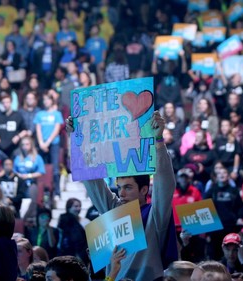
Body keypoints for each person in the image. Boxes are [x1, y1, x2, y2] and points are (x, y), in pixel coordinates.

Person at [66, 110, 177, 280]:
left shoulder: (155, 215)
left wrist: (159, 142)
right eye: (119, 187)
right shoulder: (114, 210)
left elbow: (165, 183)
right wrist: (77, 140)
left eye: (128, 188)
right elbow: (92, 180)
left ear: (144, 190)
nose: (121, 193)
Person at [34, 92, 63, 196]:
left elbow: (57, 129)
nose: (46, 101)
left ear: (52, 101)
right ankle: (44, 190)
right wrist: (41, 143)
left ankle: (57, 191)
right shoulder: (39, 114)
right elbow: (38, 129)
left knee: (55, 168)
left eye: (48, 99)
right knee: (42, 167)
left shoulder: (57, 114)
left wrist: (48, 142)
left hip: (53, 143)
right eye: (44, 99)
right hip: (42, 144)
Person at [13, 137, 45, 221]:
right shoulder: (18, 158)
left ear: (31, 145)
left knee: (33, 193)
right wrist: (18, 174)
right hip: (19, 184)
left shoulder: (37, 158)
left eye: (27, 144)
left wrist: (29, 176)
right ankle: (16, 218)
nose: (25, 146)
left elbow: (41, 172)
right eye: (23, 144)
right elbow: (14, 170)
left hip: (30, 183)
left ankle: (30, 218)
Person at [57, 198, 89, 265]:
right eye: (76, 206)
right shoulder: (63, 219)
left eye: (80, 206)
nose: (78, 208)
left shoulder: (86, 221)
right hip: (67, 253)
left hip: (82, 255)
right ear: (68, 208)